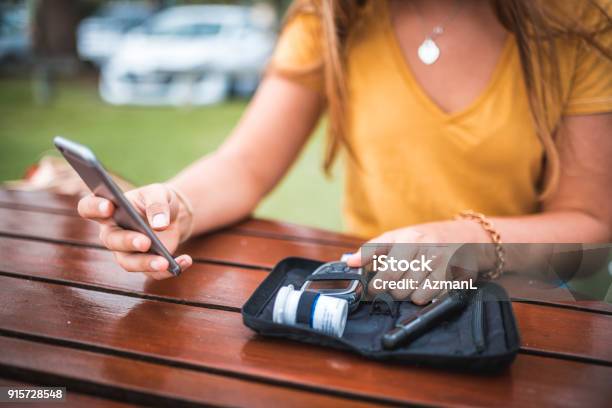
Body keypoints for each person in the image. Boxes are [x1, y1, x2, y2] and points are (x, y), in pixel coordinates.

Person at [77, 0, 612, 303]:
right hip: (370, 306)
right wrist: (178, 205)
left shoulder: (578, 20)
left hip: (522, 312)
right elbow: (245, 164)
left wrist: (469, 241)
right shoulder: (332, 16)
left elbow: (591, 222)